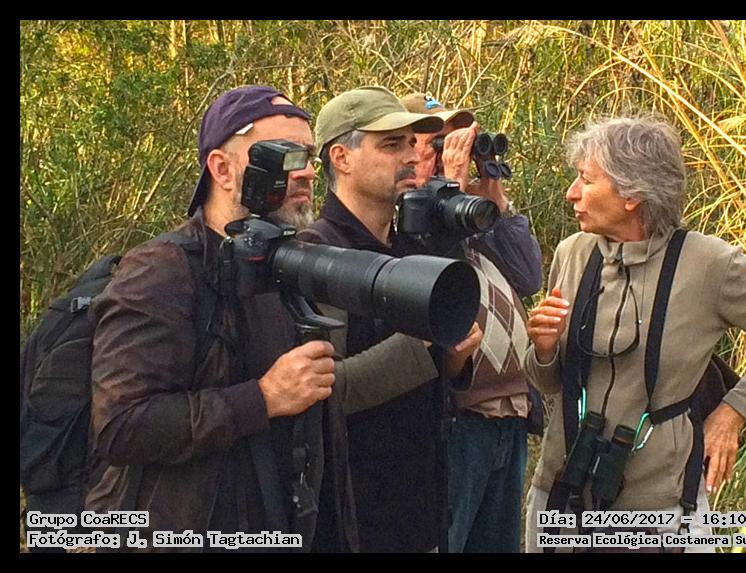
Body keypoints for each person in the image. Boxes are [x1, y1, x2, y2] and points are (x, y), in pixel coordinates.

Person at [86, 85, 458, 552]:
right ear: (222, 169)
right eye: (283, 155)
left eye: (307, 155)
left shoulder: (289, 267)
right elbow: (121, 425)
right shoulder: (162, 271)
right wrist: (262, 397)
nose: (305, 171)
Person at [523, 115, 746, 553]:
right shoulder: (573, 254)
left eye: (585, 179)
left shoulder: (708, 264)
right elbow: (549, 382)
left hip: (660, 508)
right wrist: (544, 349)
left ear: (631, 195)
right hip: (561, 492)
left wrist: (732, 414)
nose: (572, 192)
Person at [300, 86, 482, 553]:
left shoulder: (410, 248)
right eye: (391, 145)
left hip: (420, 515)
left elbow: (432, 385)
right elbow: (326, 393)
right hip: (352, 524)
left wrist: (454, 360)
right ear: (341, 157)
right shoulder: (315, 257)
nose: (411, 156)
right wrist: (422, 341)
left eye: (411, 143)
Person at [401, 92, 543, 553]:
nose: (452, 154)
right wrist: (452, 189)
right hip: (457, 420)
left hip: (508, 416)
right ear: (406, 150)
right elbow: (430, 277)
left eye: (457, 142)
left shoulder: (468, 218)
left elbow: (528, 275)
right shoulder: (407, 216)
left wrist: (494, 201)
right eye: (438, 143)